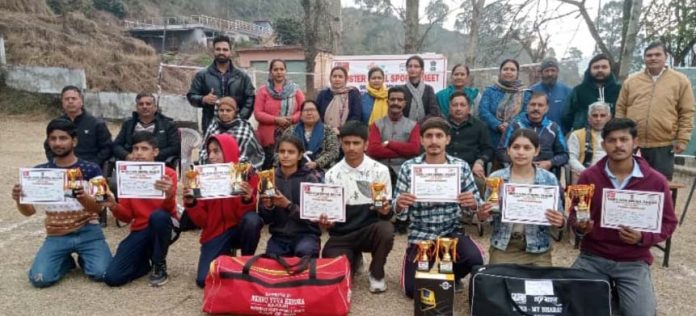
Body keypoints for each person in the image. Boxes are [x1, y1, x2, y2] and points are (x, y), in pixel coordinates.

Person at [570, 118, 677, 316]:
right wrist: (580, 227)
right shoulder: (588, 177)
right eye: (611, 140)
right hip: (593, 257)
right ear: (603, 145)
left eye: (624, 139)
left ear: (635, 142)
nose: (618, 145)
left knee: (642, 313)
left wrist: (643, 238)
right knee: (571, 305)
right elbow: (574, 215)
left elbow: (669, 222)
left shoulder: (656, 181)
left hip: (633, 261)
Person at [12, 119, 111, 288]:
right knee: (40, 279)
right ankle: (65, 262)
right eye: (53, 138)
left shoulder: (92, 168)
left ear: (74, 141)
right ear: (48, 141)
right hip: (57, 234)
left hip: (88, 232)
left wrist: (82, 196)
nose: (58, 143)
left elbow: (100, 206)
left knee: (102, 273)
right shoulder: (39, 172)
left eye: (63, 138)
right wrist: (19, 199)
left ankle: (85, 258)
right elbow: (29, 212)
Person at [394, 117, 485, 298]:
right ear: (421, 140)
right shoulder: (409, 167)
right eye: (428, 136)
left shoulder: (460, 167)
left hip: (451, 231)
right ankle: (428, 270)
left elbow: (477, 205)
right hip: (421, 233)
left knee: (475, 259)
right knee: (413, 291)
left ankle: (451, 274)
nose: (434, 141)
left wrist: (473, 204)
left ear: (447, 139)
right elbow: (397, 209)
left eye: (439, 136)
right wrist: (399, 204)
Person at [321, 120, 394, 294]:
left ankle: (376, 273)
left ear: (366, 144)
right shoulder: (331, 174)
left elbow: (386, 213)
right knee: (335, 271)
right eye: (347, 143)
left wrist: (385, 211)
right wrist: (325, 222)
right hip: (343, 234)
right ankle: (354, 259)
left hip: (369, 230)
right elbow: (330, 219)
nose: (351, 148)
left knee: (386, 229)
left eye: (356, 143)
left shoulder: (381, 171)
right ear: (340, 143)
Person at [184, 134, 263, 288]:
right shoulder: (199, 176)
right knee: (203, 280)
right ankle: (227, 259)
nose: (212, 156)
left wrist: (247, 200)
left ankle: (246, 260)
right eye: (209, 152)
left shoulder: (247, 174)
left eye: (217, 151)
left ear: (229, 150)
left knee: (252, 220)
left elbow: (252, 215)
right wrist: (191, 203)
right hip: (215, 231)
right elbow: (202, 222)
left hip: (240, 228)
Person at [477, 128, 564, 265]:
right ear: (508, 150)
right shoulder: (496, 178)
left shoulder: (549, 179)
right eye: (516, 147)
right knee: (498, 285)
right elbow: (486, 217)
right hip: (504, 246)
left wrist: (560, 222)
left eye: (527, 148)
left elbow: (560, 217)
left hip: (539, 249)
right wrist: (482, 215)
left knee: (541, 286)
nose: (521, 152)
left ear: (536, 151)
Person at [103, 132, 178, 287]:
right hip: (140, 228)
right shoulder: (127, 175)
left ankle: (159, 264)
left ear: (155, 152)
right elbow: (127, 217)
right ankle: (143, 264)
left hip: (165, 225)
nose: (138, 153)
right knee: (113, 277)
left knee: (158, 217)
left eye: (144, 148)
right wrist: (114, 206)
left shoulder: (168, 174)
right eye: (135, 148)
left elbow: (169, 211)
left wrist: (169, 195)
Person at [615, 42, 695, 180]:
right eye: (649, 55)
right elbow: (621, 108)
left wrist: (682, 139)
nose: (653, 58)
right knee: (628, 184)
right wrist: (620, 134)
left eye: (657, 54)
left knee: (660, 186)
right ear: (644, 58)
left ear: (666, 57)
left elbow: (687, 112)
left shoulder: (680, 81)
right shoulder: (632, 81)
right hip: (632, 143)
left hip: (663, 145)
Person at [259, 135, 323, 258]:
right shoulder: (269, 178)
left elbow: (312, 217)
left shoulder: (310, 178)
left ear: (300, 155)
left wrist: (288, 205)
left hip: (306, 235)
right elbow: (265, 219)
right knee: (272, 262)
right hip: (279, 237)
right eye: (282, 151)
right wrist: (268, 207)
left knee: (304, 254)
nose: (286, 155)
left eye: (291, 152)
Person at [187, 35, 255, 131]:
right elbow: (191, 96)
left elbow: (250, 99)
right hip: (210, 125)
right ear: (213, 51)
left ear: (230, 52)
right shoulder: (202, 75)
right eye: (218, 49)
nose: (221, 52)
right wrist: (203, 99)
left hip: (236, 126)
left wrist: (239, 118)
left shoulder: (242, 76)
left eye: (225, 49)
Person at [253, 59, 305, 170]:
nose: (279, 72)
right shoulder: (263, 91)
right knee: (268, 171)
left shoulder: (295, 90)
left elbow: (303, 110)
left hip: (291, 135)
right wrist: (276, 119)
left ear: (286, 71)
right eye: (275, 69)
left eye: (281, 69)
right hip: (268, 140)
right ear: (271, 72)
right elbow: (258, 113)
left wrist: (291, 119)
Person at [44, 85, 113, 167]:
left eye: (74, 98)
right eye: (66, 99)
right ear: (62, 102)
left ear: (81, 101)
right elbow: (48, 145)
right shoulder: (57, 124)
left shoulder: (96, 123)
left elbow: (107, 148)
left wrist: (93, 165)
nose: (70, 101)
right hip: (62, 168)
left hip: (89, 169)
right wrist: (56, 163)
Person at [498, 92, 568, 171]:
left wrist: (550, 162)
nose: (536, 108)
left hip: (546, 173)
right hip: (517, 171)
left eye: (540, 105)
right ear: (527, 106)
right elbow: (501, 151)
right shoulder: (514, 125)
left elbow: (564, 155)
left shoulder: (554, 128)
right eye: (533, 104)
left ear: (546, 108)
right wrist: (523, 163)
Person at [478, 59, 532, 161]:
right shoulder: (490, 91)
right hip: (491, 136)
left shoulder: (525, 93)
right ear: (500, 72)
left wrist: (510, 125)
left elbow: (526, 112)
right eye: (505, 69)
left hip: (516, 136)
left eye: (512, 70)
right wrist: (498, 125)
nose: (508, 72)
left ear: (517, 73)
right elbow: (483, 110)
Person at [366, 86, 421, 178]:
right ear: (387, 102)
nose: (396, 103)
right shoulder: (376, 124)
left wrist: (389, 144)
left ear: (404, 103)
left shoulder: (413, 125)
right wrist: (404, 152)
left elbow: (414, 149)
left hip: (405, 173)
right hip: (379, 171)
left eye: (400, 100)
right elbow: (373, 150)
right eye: (392, 99)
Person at [112, 93, 180, 163]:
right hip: (131, 164)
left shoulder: (168, 124)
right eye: (141, 104)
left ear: (155, 107)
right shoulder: (128, 124)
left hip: (159, 163)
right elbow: (116, 145)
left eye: (148, 104)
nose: (144, 107)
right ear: (136, 107)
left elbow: (174, 148)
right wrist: (127, 155)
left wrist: (151, 156)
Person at [198, 97, 264, 169]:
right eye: (221, 110)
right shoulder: (213, 126)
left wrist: (232, 168)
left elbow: (251, 157)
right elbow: (204, 151)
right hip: (213, 170)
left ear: (235, 112)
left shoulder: (244, 129)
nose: (224, 113)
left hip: (237, 170)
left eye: (228, 110)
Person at [562, 54, 621, 131]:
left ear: (610, 69)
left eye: (604, 67)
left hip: (613, 136)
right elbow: (567, 116)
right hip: (584, 137)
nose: (600, 70)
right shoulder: (579, 90)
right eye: (596, 67)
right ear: (589, 69)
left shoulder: (619, 90)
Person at [280, 100, 340, 171]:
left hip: (322, 170)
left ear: (318, 113)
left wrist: (316, 163)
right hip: (294, 169)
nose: (309, 113)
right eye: (306, 110)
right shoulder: (291, 130)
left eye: (312, 110)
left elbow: (333, 151)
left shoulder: (328, 131)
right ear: (301, 114)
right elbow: (280, 151)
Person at [445, 91, 493, 180]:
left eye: (462, 105)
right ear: (449, 107)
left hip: (471, 169)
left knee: (480, 184)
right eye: (455, 105)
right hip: (444, 170)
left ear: (469, 107)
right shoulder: (441, 125)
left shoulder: (480, 126)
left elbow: (488, 150)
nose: (458, 108)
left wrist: (479, 162)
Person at [567, 102, 612, 181]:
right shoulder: (577, 135)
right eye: (595, 115)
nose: (598, 119)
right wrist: (587, 172)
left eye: (602, 115)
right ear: (588, 118)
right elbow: (571, 158)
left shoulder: (616, 136)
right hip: (584, 174)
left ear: (609, 118)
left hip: (610, 175)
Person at [529, 57, 572, 133]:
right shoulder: (532, 91)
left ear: (557, 72)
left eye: (553, 70)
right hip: (537, 136)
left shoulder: (567, 91)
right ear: (541, 72)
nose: (550, 74)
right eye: (547, 71)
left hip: (562, 136)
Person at [316, 66, 362, 133]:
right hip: (324, 133)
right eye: (334, 76)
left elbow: (356, 116)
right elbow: (317, 114)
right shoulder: (323, 94)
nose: (337, 79)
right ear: (330, 79)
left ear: (345, 79)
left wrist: (341, 129)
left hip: (346, 133)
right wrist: (326, 130)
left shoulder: (352, 94)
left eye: (340, 77)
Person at [402, 55, 440, 123]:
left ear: (422, 70)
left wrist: (420, 124)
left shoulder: (428, 89)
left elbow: (434, 112)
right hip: (404, 129)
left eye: (416, 66)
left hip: (425, 128)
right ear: (407, 69)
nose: (412, 69)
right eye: (410, 66)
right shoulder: (401, 90)